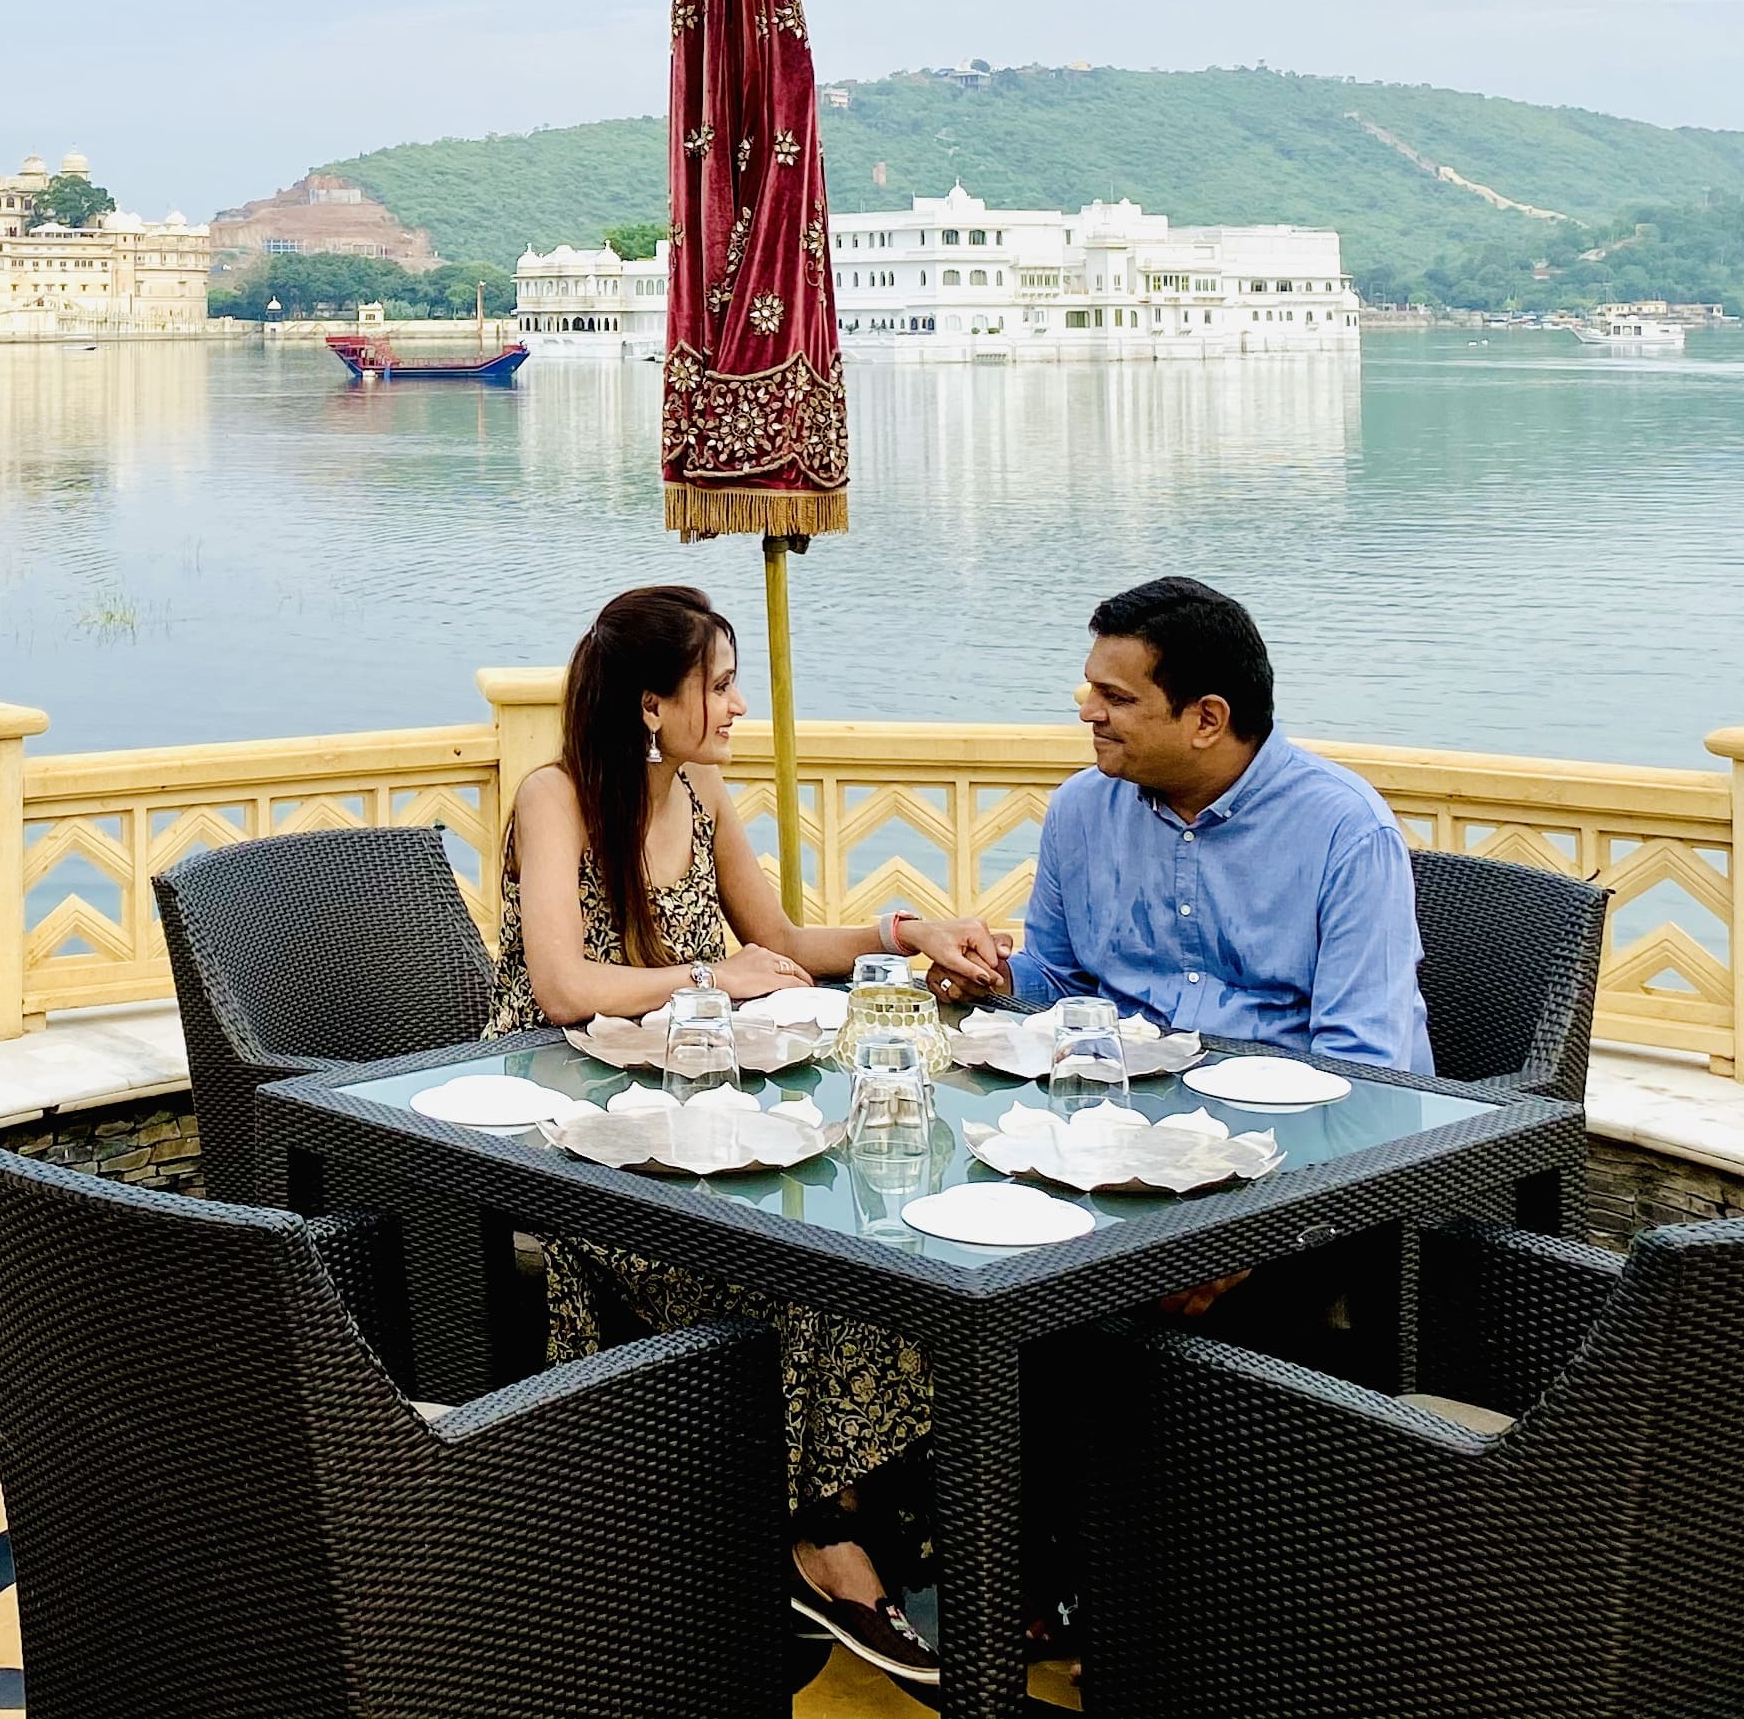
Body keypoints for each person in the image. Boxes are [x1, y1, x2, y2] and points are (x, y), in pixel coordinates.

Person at [489, 582, 1007, 1686]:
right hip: (556, 1121)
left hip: (682, 1102)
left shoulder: (704, 792)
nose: (733, 710)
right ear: (648, 705)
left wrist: (911, 929)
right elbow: (562, 984)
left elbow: (779, 937)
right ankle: (822, 1539)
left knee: (864, 1238)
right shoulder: (557, 797)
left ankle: (830, 1529)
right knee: (800, 1270)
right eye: (716, 687)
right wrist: (707, 976)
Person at [933, 574, 1430, 1071]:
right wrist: (991, 976)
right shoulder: (1081, 808)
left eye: (1116, 698)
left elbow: (1362, 1061)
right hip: (1122, 1103)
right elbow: (1064, 981)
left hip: (1297, 1113)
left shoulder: (1347, 832)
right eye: (1090, 690)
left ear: (1207, 720)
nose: (1088, 712)